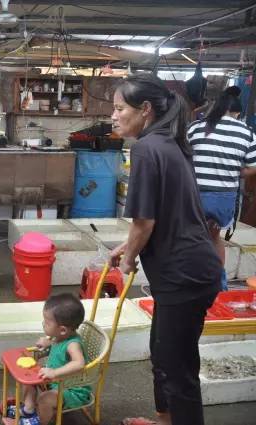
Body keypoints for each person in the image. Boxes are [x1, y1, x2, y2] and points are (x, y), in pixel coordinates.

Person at [109, 73, 222, 425]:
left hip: (183, 273)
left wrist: (128, 260)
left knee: (177, 367)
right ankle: (166, 419)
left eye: (119, 108)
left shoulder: (147, 147)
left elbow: (146, 221)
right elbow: (165, 212)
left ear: (144, 110)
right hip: (188, 268)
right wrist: (127, 246)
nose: (113, 116)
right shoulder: (168, 143)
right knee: (164, 355)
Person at [187, 86, 256, 290]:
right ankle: (218, 281)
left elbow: (183, 157)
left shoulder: (196, 127)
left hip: (194, 195)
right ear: (237, 113)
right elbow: (253, 167)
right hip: (222, 199)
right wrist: (237, 172)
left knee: (190, 237)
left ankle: (191, 280)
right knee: (214, 237)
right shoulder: (246, 132)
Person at [7, 294, 90, 425]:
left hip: (72, 390)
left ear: (62, 330)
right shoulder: (59, 337)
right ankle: (29, 409)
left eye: (47, 322)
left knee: (45, 399)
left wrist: (54, 373)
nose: (43, 324)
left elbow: (79, 363)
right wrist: (48, 343)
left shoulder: (73, 344)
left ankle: (40, 421)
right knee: (29, 379)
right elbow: (59, 351)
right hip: (56, 382)